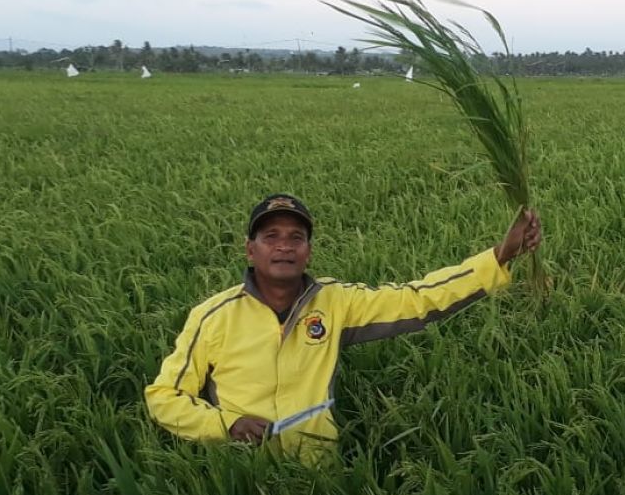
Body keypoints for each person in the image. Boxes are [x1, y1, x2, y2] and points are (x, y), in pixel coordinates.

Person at [145, 193, 542, 461]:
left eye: (296, 237)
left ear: (308, 251)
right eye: (271, 237)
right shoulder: (213, 316)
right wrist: (226, 425)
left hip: (319, 477)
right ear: (251, 250)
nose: (284, 245)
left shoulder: (335, 302)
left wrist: (499, 256)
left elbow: (417, 299)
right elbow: (164, 396)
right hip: (238, 474)